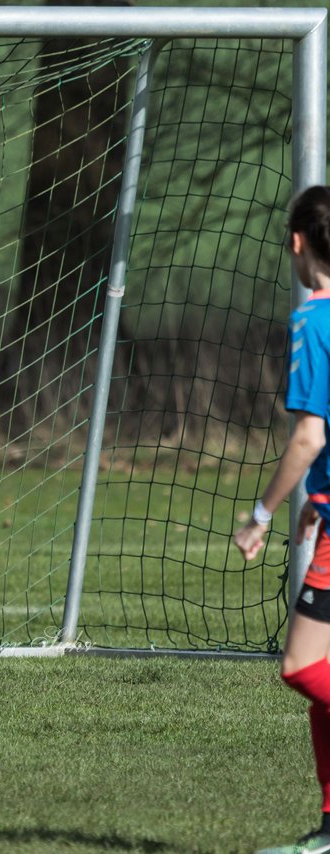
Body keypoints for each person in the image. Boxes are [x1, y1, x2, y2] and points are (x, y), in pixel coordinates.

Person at [236, 185, 330, 854]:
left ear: (297, 242)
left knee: (302, 666)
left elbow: (309, 437)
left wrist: (263, 512)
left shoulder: (313, 321)